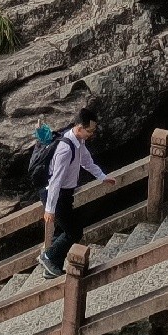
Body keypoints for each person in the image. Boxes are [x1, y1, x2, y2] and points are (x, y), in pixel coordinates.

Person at [39, 107, 110, 277]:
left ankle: (52, 268)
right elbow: (55, 180)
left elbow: (87, 162)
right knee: (74, 231)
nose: (91, 134)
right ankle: (48, 257)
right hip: (56, 195)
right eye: (89, 130)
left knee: (61, 230)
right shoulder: (65, 149)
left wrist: (102, 176)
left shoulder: (78, 142)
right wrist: (49, 208)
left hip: (66, 193)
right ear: (79, 128)